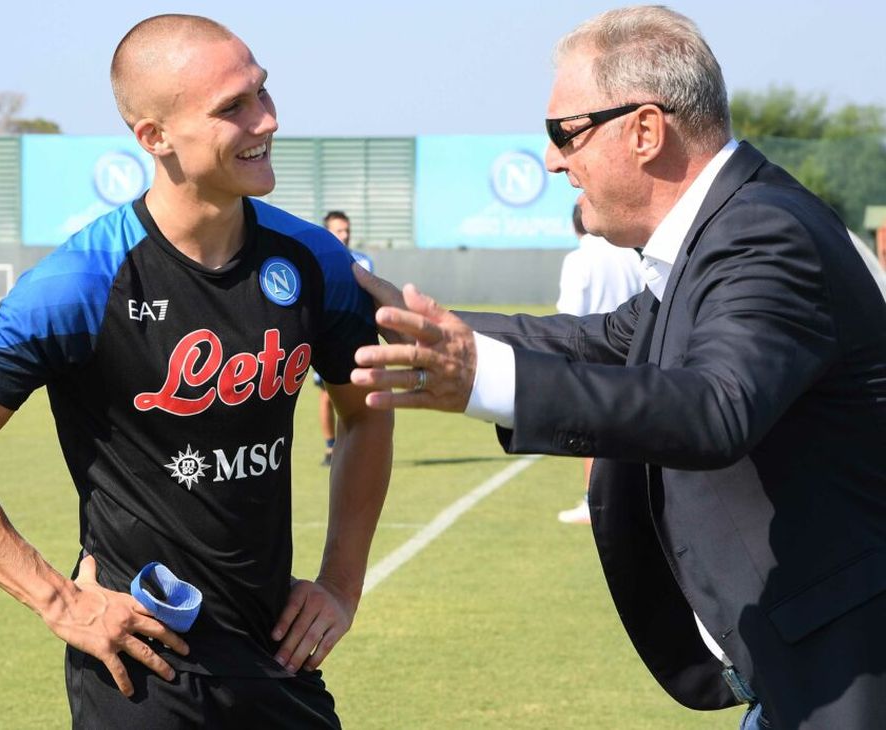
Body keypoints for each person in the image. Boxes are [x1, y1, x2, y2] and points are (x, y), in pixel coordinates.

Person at [350, 6, 886, 729]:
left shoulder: (761, 229)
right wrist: (407, 324)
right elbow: (597, 342)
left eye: (565, 133)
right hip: (805, 665)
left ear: (644, 130)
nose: (551, 160)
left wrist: (481, 378)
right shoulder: (723, 229)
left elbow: (715, 407)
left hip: (847, 674)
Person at [0, 14, 393, 729]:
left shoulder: (315, 263)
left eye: (263, 94)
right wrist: (60, 602)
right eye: (234, 108)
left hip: (278, 657)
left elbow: (366, 413)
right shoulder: (83, 281)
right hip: (141, 670)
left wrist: (342, 585)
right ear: (154, 137)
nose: (267, 120)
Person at [554, 203, 644, 524]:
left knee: (591, 435)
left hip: (592, 355)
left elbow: (568, 315)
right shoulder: (632, 255)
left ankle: (595, 501)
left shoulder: (579, 259)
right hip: (634, 353)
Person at [314, 210, 374, 466]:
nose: (345, 235)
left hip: (358, 337)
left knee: (362, 397)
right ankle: (330, 446)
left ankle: (357, 446)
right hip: (327, 336)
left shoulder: (363, 261)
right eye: (338, 230)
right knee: (328, 394)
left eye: (347, 230)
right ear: (326, 232)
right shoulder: (314, 259)